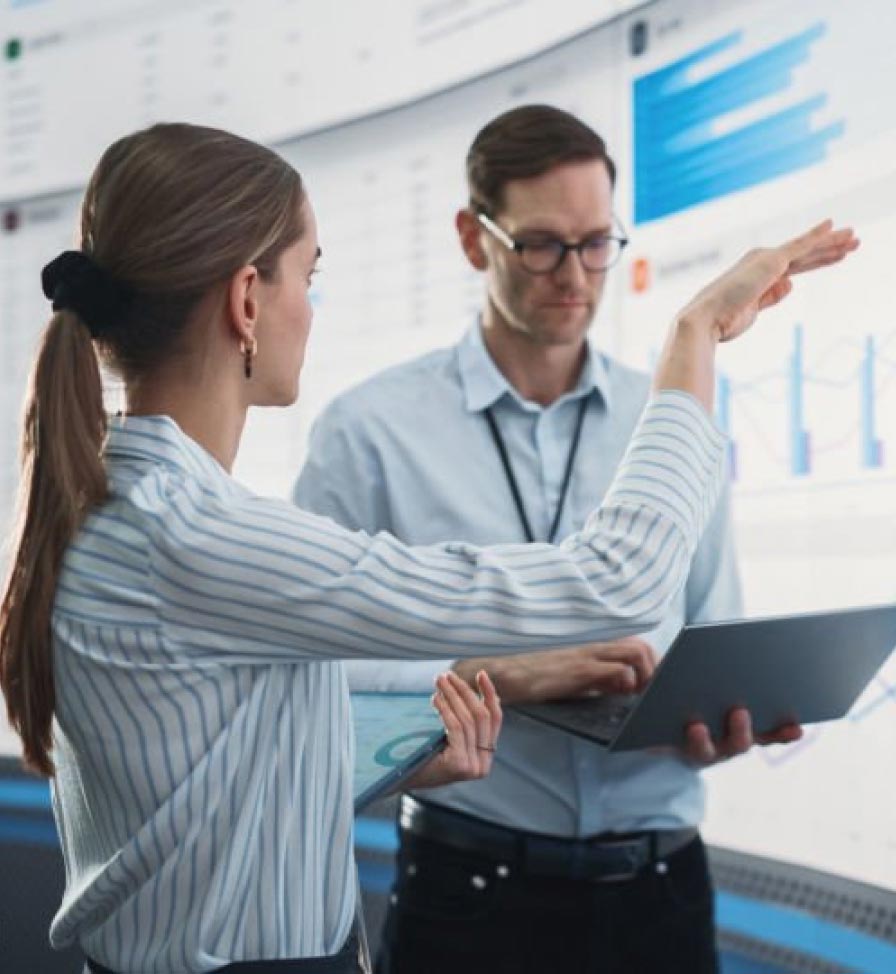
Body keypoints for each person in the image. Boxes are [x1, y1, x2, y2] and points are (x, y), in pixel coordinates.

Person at [0, 121, 854, 974]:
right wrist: (695, 337)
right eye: (311, 274)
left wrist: (440, 722)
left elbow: (220, 765)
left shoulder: (126, 505)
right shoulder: (194, 533)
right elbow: (618, 580)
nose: (314, 305)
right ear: (247, 300)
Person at [292, 105, 844, 974]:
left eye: (596, 244)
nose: (576, 275)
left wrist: (715, 719)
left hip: (660, 888)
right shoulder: (370, 433)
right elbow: (313, 678)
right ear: (475, 239)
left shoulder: (669, 416)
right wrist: (497, 678)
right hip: (470, 886)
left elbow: (708, 625)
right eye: (542, 245)